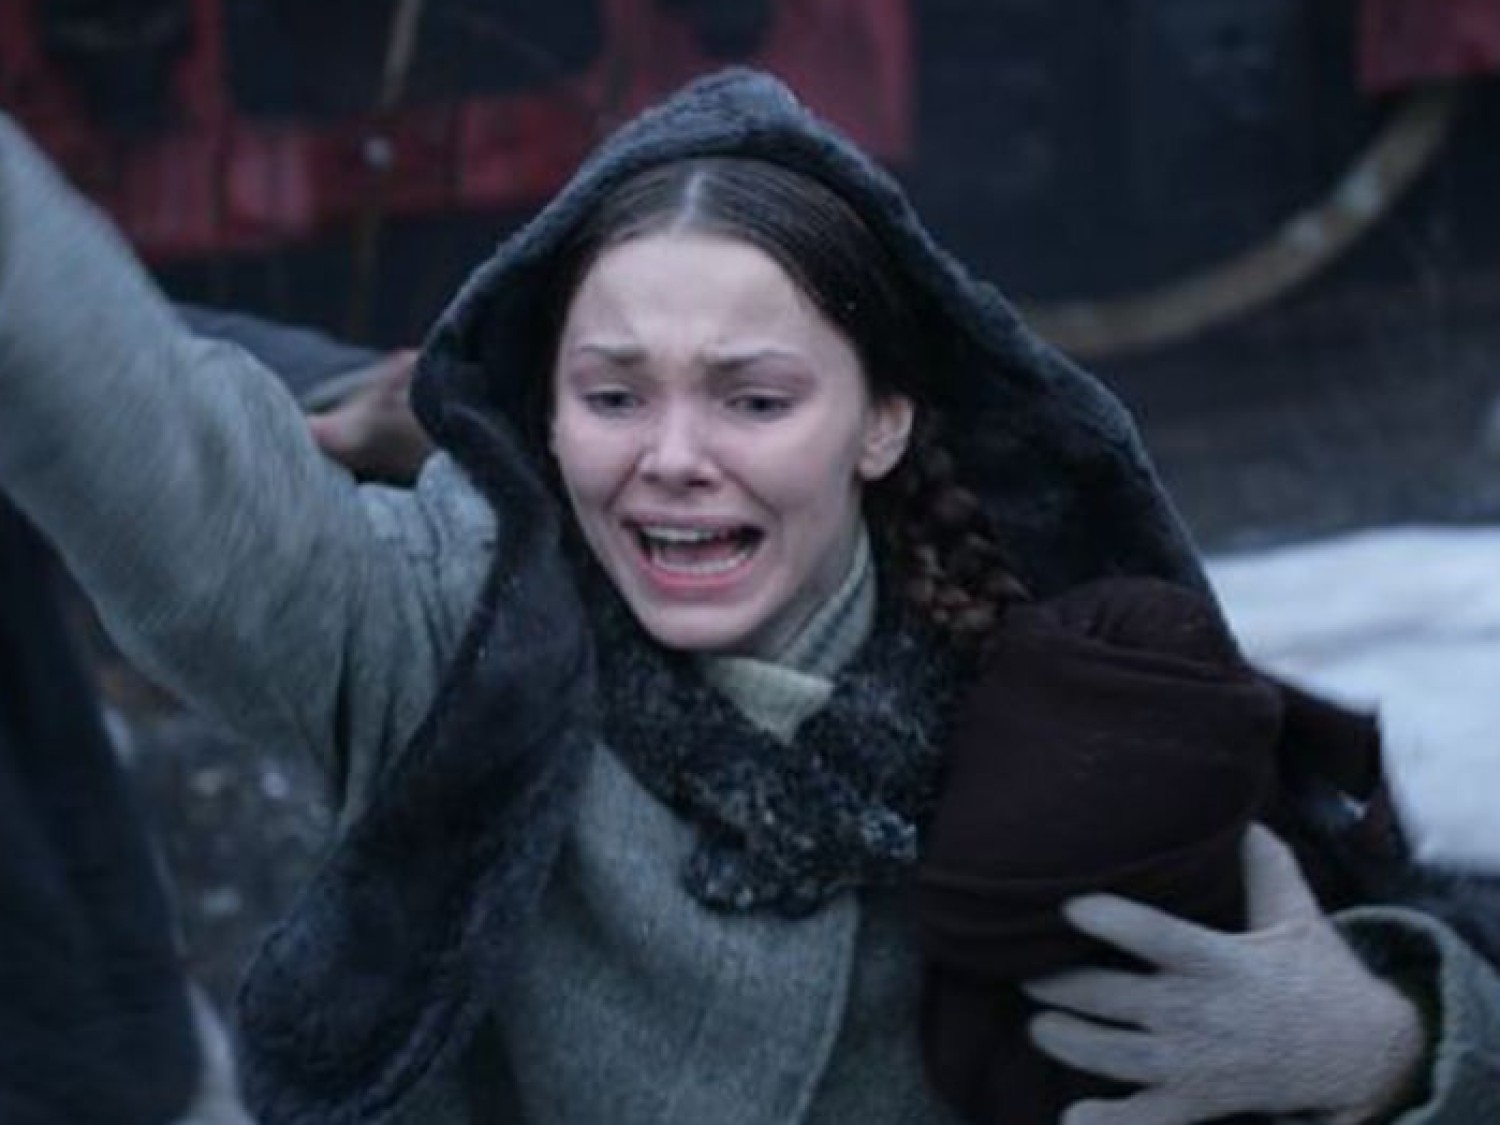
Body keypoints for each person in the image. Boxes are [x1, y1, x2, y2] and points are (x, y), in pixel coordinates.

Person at [1, 68, 1498, 1125]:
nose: (671, 458)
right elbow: (141, 437)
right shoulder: (444, 645)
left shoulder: (1088, 701)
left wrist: (1392, 1045)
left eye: (754, 397)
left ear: (884, 419)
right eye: (612, 394)